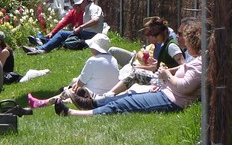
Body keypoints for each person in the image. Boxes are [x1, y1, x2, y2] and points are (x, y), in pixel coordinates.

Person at [54, 20, 202, 116]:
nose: (178, 36)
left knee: (124, 102)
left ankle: (72, 113)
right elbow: (181, 70)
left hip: (172, 98)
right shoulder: (195, 58)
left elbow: (185, 85)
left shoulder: (176, 49)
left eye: (182, 34)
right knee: (128, 96)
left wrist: (166, 77)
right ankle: (93, 103)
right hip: (166, 89)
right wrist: (164, 79)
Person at [27, 34, 119, 109]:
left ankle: (43, 103)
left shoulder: (93, 60)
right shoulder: (114, 59)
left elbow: (80, 83)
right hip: (109, 95)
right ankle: (58, 99)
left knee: (71, 91)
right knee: (74, 84)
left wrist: (72, 88)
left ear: (95, 48)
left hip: (94, 96)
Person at [99, 17, 185, 98]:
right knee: (135, 72)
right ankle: (111, 93)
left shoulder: (171, 46)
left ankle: (109, 94)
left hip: (168, 80)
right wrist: (157, 63)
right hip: (164, 78)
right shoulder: (164, 44)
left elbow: (185, 66)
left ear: (158, 35)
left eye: (149, 35)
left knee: (136, 74)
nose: (147, 38)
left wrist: (167, 71)